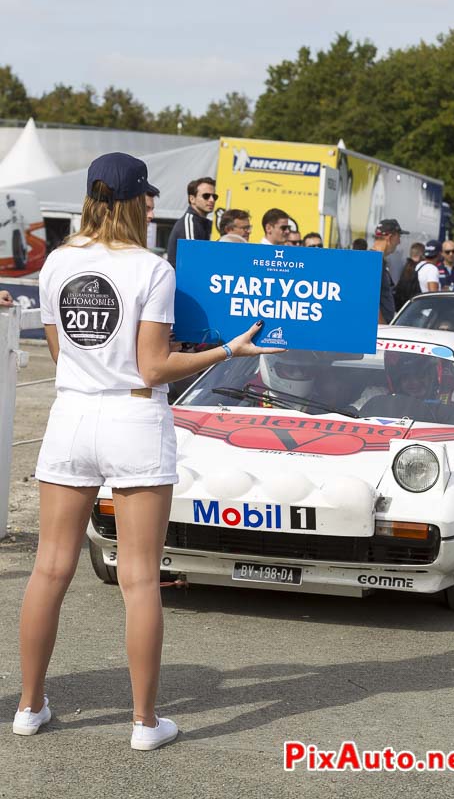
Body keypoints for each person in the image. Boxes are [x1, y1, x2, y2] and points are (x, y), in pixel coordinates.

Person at [12, 152, 279, 751]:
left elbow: (61, 353)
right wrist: (224, 352)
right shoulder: (152, 270)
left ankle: (29, 707)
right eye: (149, 197)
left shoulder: (55, 263)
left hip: (72, 412)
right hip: (134, 415)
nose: (155, 206)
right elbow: (155, 365)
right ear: (134, 200)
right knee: (138, 579)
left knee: (49, 570)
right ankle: (143, 722)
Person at [166, 177, 217, 266]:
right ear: (192, 199)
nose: (211, 200)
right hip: (184, 278)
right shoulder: (189, 222)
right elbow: (193, 261)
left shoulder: (206, 223)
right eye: (206, 196)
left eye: (214, 196)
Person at [371, 219, 409, 324]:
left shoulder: (377, 260)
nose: (399, 242)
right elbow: (369, 301)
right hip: (378, 330)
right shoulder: (374, 262)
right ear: (390, 237)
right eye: (398, 237)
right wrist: (383, 328)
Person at [393, 242, 425, 310]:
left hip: (401, 309)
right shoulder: (420, 269)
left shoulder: (403, 267)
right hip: (414, 309)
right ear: (422, 255)